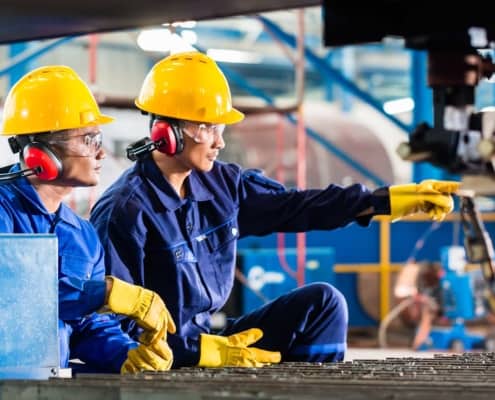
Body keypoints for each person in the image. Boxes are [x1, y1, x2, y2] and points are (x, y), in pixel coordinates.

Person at [90, 51, 460, 368]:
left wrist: (381, 201)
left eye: (220, 127)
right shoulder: (127, 211)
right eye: (207, 127)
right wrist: (198, 352)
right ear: (165, 133)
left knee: (324, 304)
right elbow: (118, 332)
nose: (220, 141)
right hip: (164, 358)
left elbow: (296, 207)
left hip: (214, 339)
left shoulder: (222, 185)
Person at [0, 65, 175, 374]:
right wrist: (103, 293)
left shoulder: (82, 234)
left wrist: (127, 355)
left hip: (41, 386)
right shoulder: (4, 211)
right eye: (89, 140)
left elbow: (90, 328)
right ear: (40, 153)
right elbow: (14, 297)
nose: (101, 154)